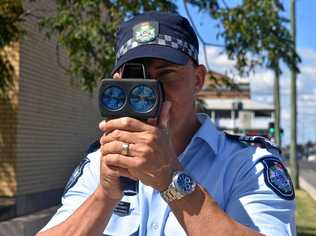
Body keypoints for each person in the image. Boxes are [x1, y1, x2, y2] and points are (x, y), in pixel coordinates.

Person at [38, 11, 296, 235]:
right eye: (136, 78)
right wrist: (103, 197)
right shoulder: (101, 163)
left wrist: (171, 178)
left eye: (166, 74)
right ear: (117, 81)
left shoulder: (246, 164)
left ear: (198, 79)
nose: (151, 93)